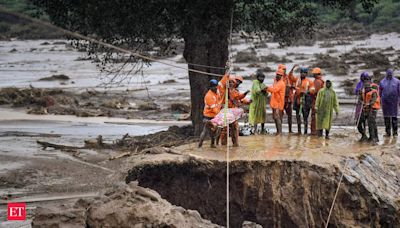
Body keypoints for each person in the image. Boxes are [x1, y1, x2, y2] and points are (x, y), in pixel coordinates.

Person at [198, 79, 220, 148]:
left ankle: (212, 144)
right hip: (208, 116)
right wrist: (220, 114)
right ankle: (200, 145)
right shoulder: (209, 96)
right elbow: (213, 109)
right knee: (205, 130)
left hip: (214, 116)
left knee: (214, 131)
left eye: (216, 86)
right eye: (214, 86)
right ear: (210, 87)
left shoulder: (217, 92)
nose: (215, 88)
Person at [379, 69, 400, 137]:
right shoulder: (382, 81)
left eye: (391, 74)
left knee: (394, 117)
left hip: (394, 102)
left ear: (392, 74)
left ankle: (395, 133)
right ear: (386, 74)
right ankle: (388, 133)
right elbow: (379, 92)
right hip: (385, 102)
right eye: (388, 74)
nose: (389, 75)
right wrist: (379, 100)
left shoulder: (397, 81)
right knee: (386, 118)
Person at [293, 67, 314, 134]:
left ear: (306, 74)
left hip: (305, 101)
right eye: (302, 72)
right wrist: (292, 69)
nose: (303, 74)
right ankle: (299, 131)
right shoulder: (297, 79)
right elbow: (290, 77)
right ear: (300, 73)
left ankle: (305, 131)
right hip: (298, 100)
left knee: (305, 117)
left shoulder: (309, 81)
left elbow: (313, 90)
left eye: (304, 73)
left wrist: (307, 92)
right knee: (297, 116)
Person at [266, 69, 286, 135]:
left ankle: (279, 132)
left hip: (279, 102)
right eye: (277, 74)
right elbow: (273, 88)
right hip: (274, 102)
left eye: (280, 75)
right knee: (275, 117)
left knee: (277, 117)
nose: (278, 76)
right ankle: (278, 131)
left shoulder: (281, 83)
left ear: (282, 76)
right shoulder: (276, 81)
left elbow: (274, 90)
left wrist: (266, 88)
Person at [279, 64, 297, 133]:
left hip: (289, 99)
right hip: (281, 99)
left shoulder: (287, 77)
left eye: (285, 69)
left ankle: (290, 130)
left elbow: (291, 75)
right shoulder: (278, 78)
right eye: (283, 69)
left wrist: (292, 68)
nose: (284, 71)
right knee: (280, 115)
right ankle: (279, 129)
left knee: (290, 115)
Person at [311, 67, 324, 135]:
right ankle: (319, 132)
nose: (313, 75)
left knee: (314, 117)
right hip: (321, 102)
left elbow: (315, 92)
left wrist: (309, 92)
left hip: (316, 101)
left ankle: (314, 132)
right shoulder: (321, 81)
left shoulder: (317, 81)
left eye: (314, 74)